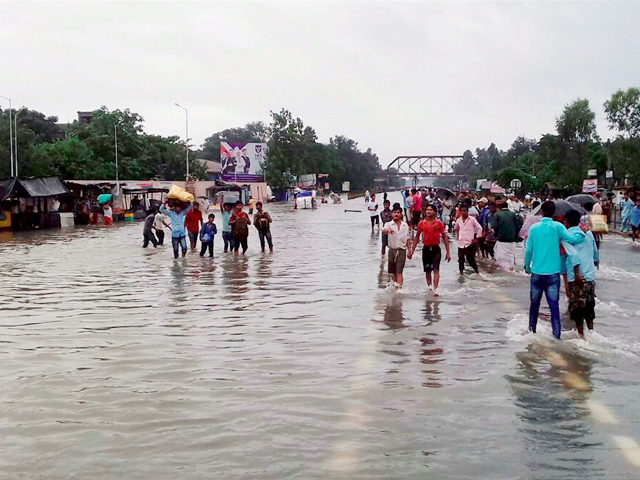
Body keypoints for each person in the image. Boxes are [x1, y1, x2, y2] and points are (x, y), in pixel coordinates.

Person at [524, 201, 585, 339]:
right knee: (554, 308)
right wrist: (582, 232)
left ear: (542, 212)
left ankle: (531, 333)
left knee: (534, 305)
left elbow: (528, 250)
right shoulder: (558, 227)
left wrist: (528, 266)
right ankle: (556, 337)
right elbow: (573, 239)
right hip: (553, 274)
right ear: (554, 212)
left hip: (537, 273)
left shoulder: (534, 228)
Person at [563, 210, 599, 337]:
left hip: (577, 277)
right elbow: (595, 252)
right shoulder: (588, 233)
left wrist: (576, 274)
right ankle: (591, 333)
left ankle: (581, 336)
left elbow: (573, 256)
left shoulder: (567, 236)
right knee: (589, 309)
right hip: (590, 276)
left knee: (577, 311)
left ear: (566, 221)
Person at [411, 204, 451, 296]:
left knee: (436, 269)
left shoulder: (438, 223)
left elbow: (445, 237)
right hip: (426, 249)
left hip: (436, 249)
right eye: (427, 210)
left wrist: (448, 252)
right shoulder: (422, 223)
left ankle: (436, 289)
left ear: (435, 212)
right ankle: (429, 287)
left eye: (431, 210)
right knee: (428, 270)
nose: (428, 211)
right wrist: (412, 251)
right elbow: (417, 237)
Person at [382, 203, 412, 288]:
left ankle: (399, 289)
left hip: (401, 250)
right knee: (392, 272)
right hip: (391, 250)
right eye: (394, 212)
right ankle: (396, 286)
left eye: (398, 212)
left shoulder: (405, 225)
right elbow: (383, 230)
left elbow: (408, 239)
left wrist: (409, 250)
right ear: (392, 214)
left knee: (399, 271)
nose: (396, 214)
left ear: (401, 214)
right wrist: (388, 230)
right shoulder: (388, 224)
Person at [454, 205, 482, 275]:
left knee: (471, 260)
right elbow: (456, 228)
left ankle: (477, 272)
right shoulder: (459, 220)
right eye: (462, 211)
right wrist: (457, 236)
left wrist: (476, 239)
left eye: (464, 211)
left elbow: (480, 228)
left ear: (467, 211)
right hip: (461, 243)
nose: (463, 212)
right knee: (460, 260)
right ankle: (461, 274)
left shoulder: (472, 219)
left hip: (470, 243)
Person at [491, 200, 519, 271]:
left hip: (501, 239)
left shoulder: (497, 214)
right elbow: (517, 226)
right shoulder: (513, 214)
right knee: (510, 257)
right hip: (512, 240)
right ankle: (511, 269)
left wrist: (495, 235)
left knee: (501, 258)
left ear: (499, 207)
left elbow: (494, 227)